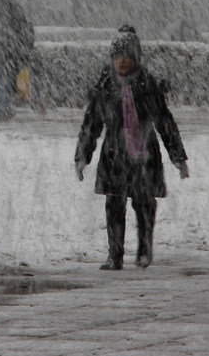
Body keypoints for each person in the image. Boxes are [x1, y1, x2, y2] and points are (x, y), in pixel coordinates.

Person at [75, 25, 189, 270]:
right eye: (117, 57)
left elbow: (164, 121)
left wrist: (178, 156)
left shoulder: (147, 86)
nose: (121, 62)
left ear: (136, 58)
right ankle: (114, 254)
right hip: (114, 156)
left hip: (143, 156)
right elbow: (91, 123)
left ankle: (144, 249)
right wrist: (82, 156)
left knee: (144, 203)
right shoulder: (106, 86)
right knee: (114, 204)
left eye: (126, 56)